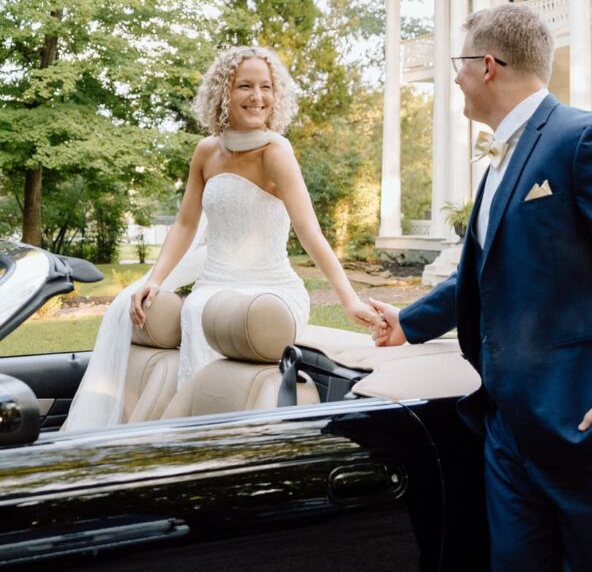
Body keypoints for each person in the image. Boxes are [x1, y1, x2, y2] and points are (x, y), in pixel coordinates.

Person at [370, 3, 592, 572]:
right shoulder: (497, 164)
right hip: (511, 432)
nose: (455, 79)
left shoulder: (587, 138)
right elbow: (490, 272)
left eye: (459, 65)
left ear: (487, 65)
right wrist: (409, 323)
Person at [63, 45, 376, 432]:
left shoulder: (276, 152)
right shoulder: (206, 152)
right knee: (196, 309)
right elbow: (184, 224)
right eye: (244, 85)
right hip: (212, 288)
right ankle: (191, 439)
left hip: (270, 291)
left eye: (266, 87)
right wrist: (154, 281)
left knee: (209, 311)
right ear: (223, 93)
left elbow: (309, 231)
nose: (257, 96)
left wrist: (349, 298)